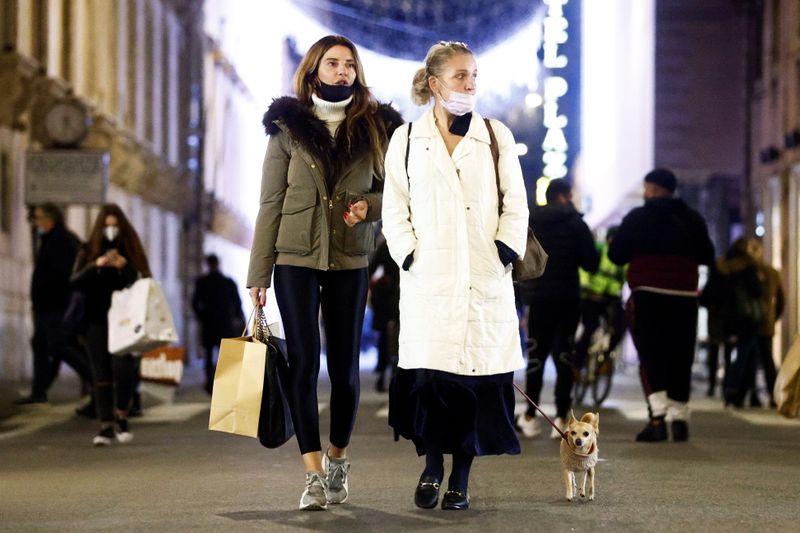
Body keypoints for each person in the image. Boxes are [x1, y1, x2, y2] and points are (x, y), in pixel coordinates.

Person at [247, 35, 402, 511]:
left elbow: (397, 192)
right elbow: (271, 201)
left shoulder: (379, 127)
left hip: (351, 258)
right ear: (314, 70)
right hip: (295, 257)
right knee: (303, 361)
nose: (342, 72)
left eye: (350, 65)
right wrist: (259, 273)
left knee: (344, 367)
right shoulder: (288, 127)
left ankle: (338, 458)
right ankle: (313, 472)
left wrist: (367, 207)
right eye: (333, 63)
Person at [382, 41, 529, 511]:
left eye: (474, 76)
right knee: (431, 383)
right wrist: (409, 256)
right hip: (429, 280)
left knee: (475, 386)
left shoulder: (495, 134)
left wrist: (504, 250)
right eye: (461, 76)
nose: (470, 85)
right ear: (435, 84)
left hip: (484, 276)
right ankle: (431, 467)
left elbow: (517, 201)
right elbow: (393, 210)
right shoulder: (405, 139)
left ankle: (460, 477)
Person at [608, 168, 715, 442]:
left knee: (651, 355)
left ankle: (657, 420)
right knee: (680, 356)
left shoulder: (636, 218)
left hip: (648, 293)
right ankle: (680, 419)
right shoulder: (692, 218)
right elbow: (707, 254)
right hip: (684, 295)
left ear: (653, 189)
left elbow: (617, 255)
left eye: (646, 188)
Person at [517, 179, 599, 439]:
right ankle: (563, 416)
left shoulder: (533, 221)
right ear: (564, 196)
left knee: (536, 355)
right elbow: (591, 264)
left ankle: (530, 416)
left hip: (538, 297)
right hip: (567, 298)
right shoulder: (577, 224)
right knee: (564, 354)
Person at [71, 204, 152, 446]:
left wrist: (124, 267)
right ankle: (106, 425)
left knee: (123, 368)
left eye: (115, 225)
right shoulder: (88, 252)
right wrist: (95, 265)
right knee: (101, 373)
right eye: (107, 226)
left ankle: (122, 414)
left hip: (126, 322)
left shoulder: (130, 250)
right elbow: (74, 282)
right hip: (96, 320)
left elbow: (144, 281)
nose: (110, 230)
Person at [16, 204, 93, 406]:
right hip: (47, 305)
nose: (36, 223)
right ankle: (39, 390)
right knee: (41, 345)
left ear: (51, 219)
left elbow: (62, 276)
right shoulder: (51, 239)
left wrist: (48, 296)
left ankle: (96, 380)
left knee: (59, 347)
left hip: (56, 305)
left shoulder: (62, 241)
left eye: (39, 218)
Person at [574, 226, 627, 373]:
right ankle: (577, 365)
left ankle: (605, 358)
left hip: (610, 298)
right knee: (590, 327)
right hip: (591, 296)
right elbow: (585, 267)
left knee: (621, 325)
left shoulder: (622, 257)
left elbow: (628, 275)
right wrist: (584, 285)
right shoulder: (598, 248)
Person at [192, 254, 244, 394]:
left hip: (209, 323)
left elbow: (195, 303)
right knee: (222, 353)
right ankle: (220, 379)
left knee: (208, 354)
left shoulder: (202, 282)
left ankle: (209, 380)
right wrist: (237, 318)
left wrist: (201, 317)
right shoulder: (227, 282)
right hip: (224, 323)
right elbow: (238, 303)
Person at [749, 238, 784, 407]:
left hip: (752, 323)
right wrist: (773, 317)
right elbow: (781, 300)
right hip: (766, 324)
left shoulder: (748, 272)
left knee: (752, 361)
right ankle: (773, 394)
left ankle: (753, 394)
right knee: (767, 361)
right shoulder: (772, 272)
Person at [368, 234, 400, 392]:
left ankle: (383, 373)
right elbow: (371, 269)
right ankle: (390, 371)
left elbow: (371, 269)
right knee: (394, 336)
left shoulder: (385, 246)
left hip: (390, 297)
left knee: (385, 338)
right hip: (396, 296)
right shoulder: (386, 247)